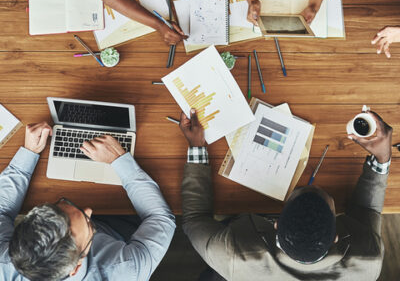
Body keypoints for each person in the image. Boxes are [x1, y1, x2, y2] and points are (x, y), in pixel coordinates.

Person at [180, 108, 392, 280]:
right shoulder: (368, 260)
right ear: (336, 235)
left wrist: (196, 146)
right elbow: (367, 210)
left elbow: (194, 219)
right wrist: (382, 159)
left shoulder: (232, 255)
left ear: (276, 224)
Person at [0, 122, 175, 280]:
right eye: (89, 226)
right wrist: (120, 160)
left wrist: (29, 152)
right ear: (75, 268)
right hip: (121, 229)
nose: (89, 210)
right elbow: (160, 218)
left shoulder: (2, 263)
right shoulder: (124, 270)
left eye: (61, 205)